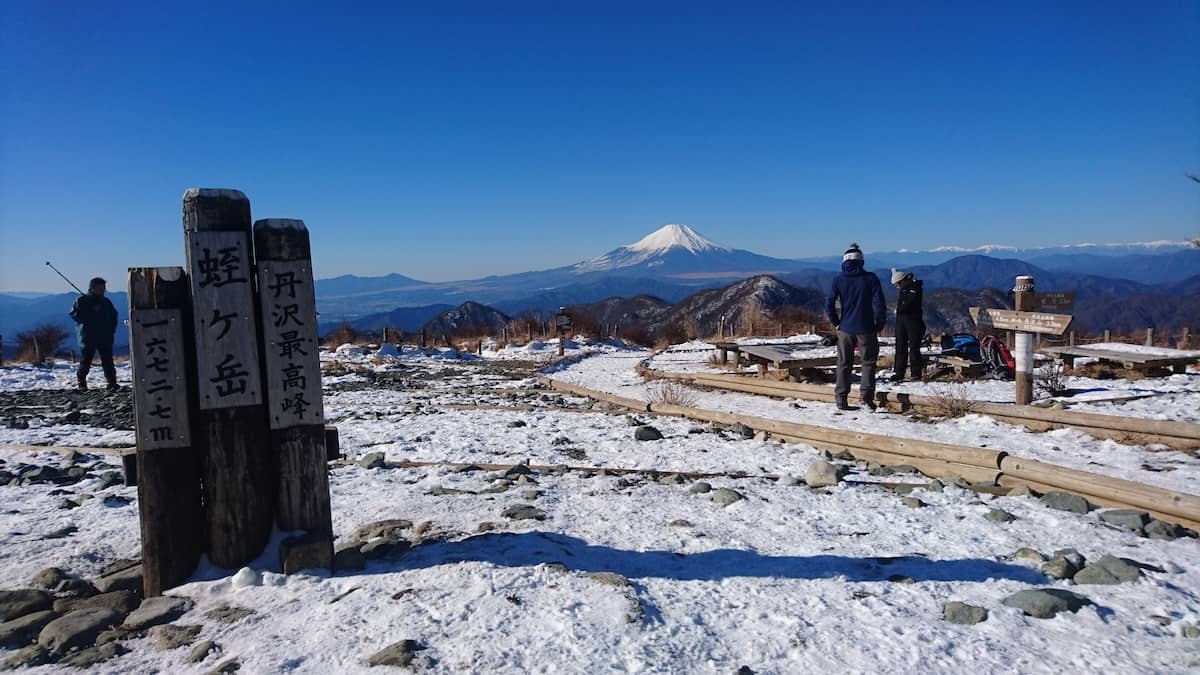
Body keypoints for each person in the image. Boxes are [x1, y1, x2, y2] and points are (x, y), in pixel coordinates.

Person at [826, 243, 886, 411]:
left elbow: (829, 303)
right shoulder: (871, 278)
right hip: (866, 328)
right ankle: (865, 398)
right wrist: (879, 323)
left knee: (843, 363)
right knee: (868, 363)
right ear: (861, 261)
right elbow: (880, 304)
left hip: (845, 328)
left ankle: (841, 399)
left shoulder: (837, 280)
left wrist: (836, 322)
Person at [70, 277, 119, 392]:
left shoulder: (106, 302)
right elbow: (75, 315)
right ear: (92, 288)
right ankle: (81, 382)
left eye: (103, 288)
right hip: (88, 336)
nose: (102, 290)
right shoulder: (82, 301)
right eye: (99, 287)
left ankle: (112, 382)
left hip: (105, 336)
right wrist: (90, 310)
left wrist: (111, 330)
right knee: (86, 360)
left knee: (107, 360)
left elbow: (114, 316)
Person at [891, 268, 925, 383]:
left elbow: (908, 304)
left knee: (914, 347)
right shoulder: (905, 288)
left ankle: (915, 373)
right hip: (902, 321)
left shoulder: (914, 288)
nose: (898, 286)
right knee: (900, 346)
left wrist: (898, 309)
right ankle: (899, 372)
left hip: (913, 321)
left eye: (898, 283)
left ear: (904, 280)